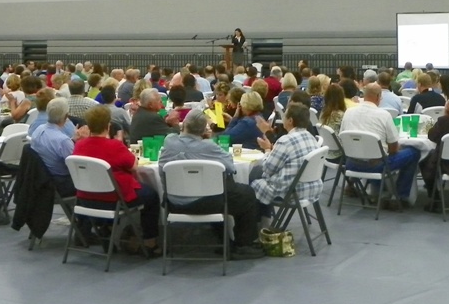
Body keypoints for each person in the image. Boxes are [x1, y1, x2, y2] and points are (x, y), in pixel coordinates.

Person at [158, 113, 265, 259]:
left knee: (220, 191)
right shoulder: (208, 146)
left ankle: (224, 240)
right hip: (208, 203)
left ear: (184, 125)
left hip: (173, 202)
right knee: (246, 194)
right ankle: (244, 244)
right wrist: (207, 140)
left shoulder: (169, 141)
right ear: (204, 130)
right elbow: (230, 166)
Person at [73, 105, 161, 254]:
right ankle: (150, 242)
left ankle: (107, 228)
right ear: (108, 125)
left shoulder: (79, 145)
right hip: (113, 198)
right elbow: (134, 166)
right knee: (152, 196)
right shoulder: (114, 146)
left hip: (86, 197)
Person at [341, 83, 421, 209]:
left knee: (375, 153)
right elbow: (393, 148)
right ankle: (400, 196)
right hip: (376, 166)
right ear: (378, 97)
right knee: (413, 152)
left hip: (351, 163)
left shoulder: (348, 112)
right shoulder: (384, 115)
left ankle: (376, 192)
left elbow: (343, 138)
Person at [249, 103, 321, 219]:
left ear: (290, 120)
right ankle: (263, 218)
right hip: (311, 187)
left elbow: (268, 169)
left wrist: (267, 150)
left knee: (253, 174)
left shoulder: (285, 141)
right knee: (258, 173)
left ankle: (259, 220)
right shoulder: (311, 138)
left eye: (284, 116)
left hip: (290, 191)